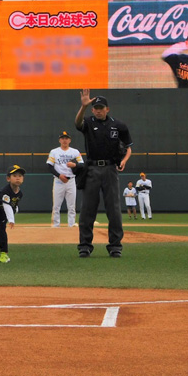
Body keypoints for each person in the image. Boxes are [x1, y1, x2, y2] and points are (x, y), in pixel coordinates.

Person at [75, 90, 133, 258]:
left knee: (114, 209)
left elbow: (128, 147)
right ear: (92, 109)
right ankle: (85, 246)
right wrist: (83, 107)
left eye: (101, 108)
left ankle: (115, 246)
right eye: (95, 108)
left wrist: (124, 160)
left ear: (107, 109)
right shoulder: (88, 122)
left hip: (110, 169)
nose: (98, 110)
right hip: (92, 169)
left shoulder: (119, 125)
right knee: (87, 209)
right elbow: (77, 123)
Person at [46, 131, 84, 227]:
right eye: (62, 138)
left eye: (66, 138)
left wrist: (74, 165)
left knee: (71, 206)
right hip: (59, 180)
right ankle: (55, 226)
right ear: (59, 140)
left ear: (70, 140)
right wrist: (59, 175)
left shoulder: (75, 152)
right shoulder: (54, 152)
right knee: (56, 206)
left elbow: (82, 165)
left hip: (71, 180)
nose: (64, 140)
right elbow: (49, 166)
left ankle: (71, 225)